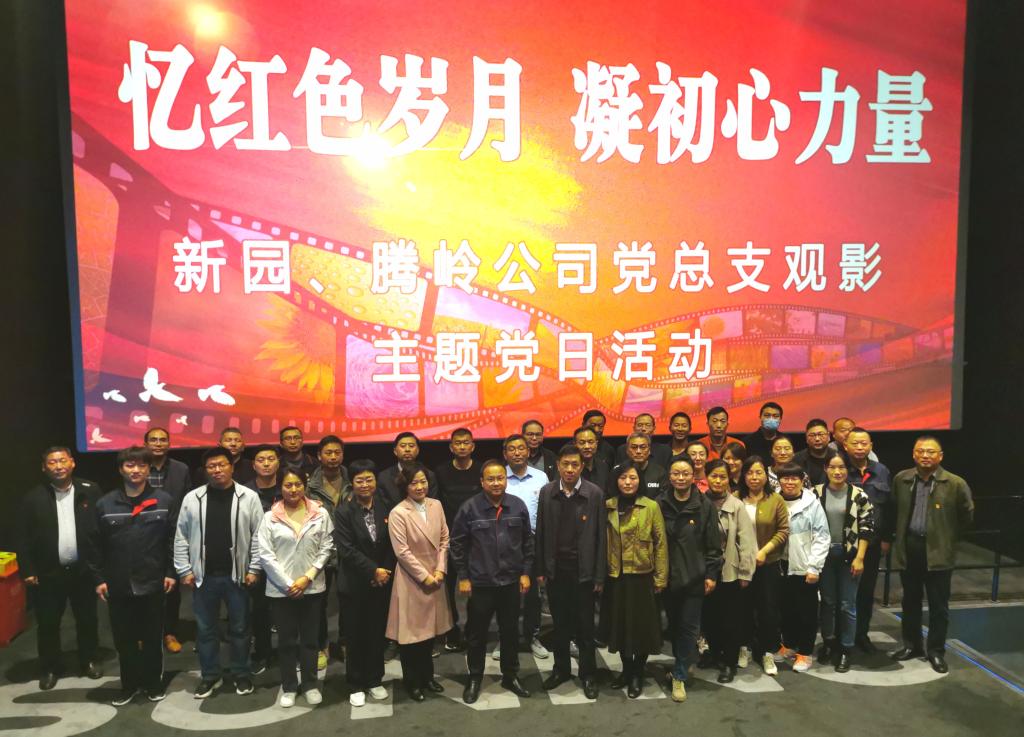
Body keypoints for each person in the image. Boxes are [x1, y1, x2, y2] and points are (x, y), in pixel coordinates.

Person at [90, 447, 177, 705]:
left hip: (153, 581)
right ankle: (128, 685)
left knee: (152, 638)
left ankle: (153, 684)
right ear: (121, 469)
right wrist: (98, 579)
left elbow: (173, 540)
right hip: (118, 584)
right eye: (130, 465)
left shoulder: (164, 501)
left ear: (149, 469)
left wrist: (171, 572)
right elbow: (94, 545)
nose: (136, 470)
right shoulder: (105, 504)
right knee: (124, 640)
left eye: (141, 465)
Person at [174, 447, 263, 699]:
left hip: (238, 575)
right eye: (211, 466)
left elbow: (259, 535)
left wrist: (254, 568)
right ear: (205, 470)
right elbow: (181, 535)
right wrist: (184, 569)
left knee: (240, 629)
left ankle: (241, 673)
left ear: (231, 467)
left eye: (222, 464)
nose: (217, 470)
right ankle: (210, 676)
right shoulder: (193, 498)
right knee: (205, 631)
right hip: (204, 577)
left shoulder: (248, 497)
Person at [16, 447, 103, 691]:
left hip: (83, 571)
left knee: (87, 619)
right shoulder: (32, 498)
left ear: (72, 463)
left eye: (62, 460)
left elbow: (102, 528)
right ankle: (50, 667)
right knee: (48, 624)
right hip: (48, 573)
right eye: (52, 462)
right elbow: (22, 537)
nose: (58, 466)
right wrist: (28, 569)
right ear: (44, 467)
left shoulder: (90, 490)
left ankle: (89, 660)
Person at [451, 460, 534, 703]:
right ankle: (475, 677)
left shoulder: (517, 506)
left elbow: (528, 542)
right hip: (481, 583)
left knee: (510, 632)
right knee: (476, 634)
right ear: (482, 482)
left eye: (500, 478)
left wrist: (526, 572)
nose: (496, 483)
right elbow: (457, 545)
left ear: (506, 480)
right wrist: (463, 576)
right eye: (491, 479)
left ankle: (510, 675)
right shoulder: (469, 508)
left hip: (510, 582)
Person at [890, 437, 973, 674]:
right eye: (920, 451)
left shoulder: (955, 483)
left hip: (939, 552)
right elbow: (895, 508)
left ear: (940, 456)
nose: (925, 456)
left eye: (930, 452)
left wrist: (947, 537)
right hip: (910, 548)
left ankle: (936, 651)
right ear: (914, 454)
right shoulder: (902, 479)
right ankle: (912, 645)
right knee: (910, 601)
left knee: (938, 606)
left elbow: (967, 515)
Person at [256, 468, 334, 707]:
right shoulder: (269, 517)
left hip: (312, 587)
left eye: (298, 484)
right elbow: (265, 555)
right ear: (280, 487)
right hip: (281, 591)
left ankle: (310, 684)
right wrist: (289, 584)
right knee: (287, 641)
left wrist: (307, 578)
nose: (293, 489)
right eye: (288, 485)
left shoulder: (320, 513)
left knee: (310, 640)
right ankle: (289, 686)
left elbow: (327, 547)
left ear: (305, 485)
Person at [535, 445, 606, 700]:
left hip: (583, 571)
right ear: (558, 466)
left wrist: (599, 575)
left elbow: (601, 537)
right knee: (560, 625)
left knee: (585, 627)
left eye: (575, 465)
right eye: (565, 464)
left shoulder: (594, 493)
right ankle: (561, 670)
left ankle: (588, 674)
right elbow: (541, 532)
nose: (569, 469)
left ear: (582, 466)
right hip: (556, 571)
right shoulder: (547, 492)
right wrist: (541, 568)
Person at [601, 463, 669, 699]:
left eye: (632, 477)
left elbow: (660, 543)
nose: (628, 482)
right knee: (619, 628)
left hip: (642, 576)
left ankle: (638, 673)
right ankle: (626, 670)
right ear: (615, 481)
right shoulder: (608, 506)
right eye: (623, 478)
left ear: (640, 480)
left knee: (641, 629)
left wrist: (661, 577)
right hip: (615, 576)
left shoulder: (651, 506)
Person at [385, 463, 452, 702]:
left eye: (423, 481)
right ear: (405, 486)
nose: (420, 486)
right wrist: (425, 576)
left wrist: (441, 569)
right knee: (411, 636)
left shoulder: (436, 505)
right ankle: (412, 681)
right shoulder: (398, 512)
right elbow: (402, 552)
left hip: (436, 576)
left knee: (429, 634)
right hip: (412, 579)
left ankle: (428, 677)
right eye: (414, 483)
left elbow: (444, 539)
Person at [657, 457, 721, 702]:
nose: (681, 478)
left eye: (685, 473)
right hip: (667, 577)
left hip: (694, 576)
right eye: (676, 473)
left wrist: (711, 574)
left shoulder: (704, 506)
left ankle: (680, 675)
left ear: (693, 476)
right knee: (673, 626)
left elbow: (713, 544)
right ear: (670, 476)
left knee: (688, 627)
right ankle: (681, 662)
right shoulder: (659, 503)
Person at [334, 461, 394, 707]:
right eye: (360, 480)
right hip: (354, 583)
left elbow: (391, 544)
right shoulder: (344, 512)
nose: (365, 484)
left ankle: (374, 679)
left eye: (369, 479)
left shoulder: (386, 507)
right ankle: (356, 683)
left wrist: (384, 571)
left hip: (381, 583)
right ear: (352, 483)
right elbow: (346, 549)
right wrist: (373, 570)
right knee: (355, 634)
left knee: (376, 633)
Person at [814, 455, 874, 673]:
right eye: (832, 467)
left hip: (850, 555)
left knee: (847, 604)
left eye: (841, 467)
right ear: (825, 469)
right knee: (828, 602)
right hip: (823, 556)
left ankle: (846, 648)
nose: (837, 472)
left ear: (847, 470)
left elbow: (867, 528)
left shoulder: (859, 495)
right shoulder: (815, 493)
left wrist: (860, 558)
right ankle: (829, 643)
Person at [702, 459, 755, 684]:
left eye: (722, 477)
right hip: (705, 571)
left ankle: (729, 662)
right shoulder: (699, 502)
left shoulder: (737, 506)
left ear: (729, 479)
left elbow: (747, 541)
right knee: (709, 617)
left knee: (730, 620)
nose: (718, 481)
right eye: (713, 476)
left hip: (729, 572)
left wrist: (745, 572)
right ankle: (714, 654)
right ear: (706, 477)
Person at [736, 456, 789, 676]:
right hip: (741, 565)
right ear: (744, 476)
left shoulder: (775, 499)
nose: (754, 477)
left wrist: (764, 551)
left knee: (768, 609)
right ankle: (744, 647)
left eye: (759, 472)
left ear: (766, 476)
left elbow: (783, 530)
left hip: (768, 563)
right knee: (742, 608)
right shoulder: (736, 498)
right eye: (750, 473)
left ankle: (767, 652)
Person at [775, 463, 830, 674]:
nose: (789, 482)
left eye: (794, 478)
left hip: (804, 566)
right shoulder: (774, 500)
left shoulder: (812, 504)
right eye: (785, 478)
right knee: (786, 609)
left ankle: (805, 653)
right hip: (780, 565)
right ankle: (789, 645)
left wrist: (814, 567)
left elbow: (822, 536)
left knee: (807, 612)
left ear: (802, 480)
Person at [843, 427, 891, 653]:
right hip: (844, 544)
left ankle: (861, 634)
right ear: (845, 445)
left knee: (866, 592)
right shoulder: (838, 468)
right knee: (842, 594)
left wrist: (886, 538)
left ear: (871, 446)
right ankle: (840, 638)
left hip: (872, 544)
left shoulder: (881, 471)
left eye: (864, 443)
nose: (860, 447)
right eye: (855, 443)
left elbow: (889, 507)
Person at [143, 428, 191, 653]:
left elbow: (188, 500)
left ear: (169, 443)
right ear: (145, 444)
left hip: (173, 533)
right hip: (143, 534)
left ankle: (170, 632)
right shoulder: (138, 467)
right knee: (143, 586)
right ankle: (146, 632)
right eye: (153, 440)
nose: (158, 443)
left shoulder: (181, 469)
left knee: (171, 586)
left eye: (163, 440)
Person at [503, 433, 550, 660]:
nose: (517, 453)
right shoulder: (498, 476)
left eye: (521, 448)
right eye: (511, 449)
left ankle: (532, 636)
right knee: (506, 595)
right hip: (504, 545)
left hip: (533, 544)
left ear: (528, 451)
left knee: (533, 595)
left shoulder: (541, 477)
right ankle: (505, 638)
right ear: (505, 454)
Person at [306, 434, 350, 669]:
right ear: (319, 456)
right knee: (318, 603)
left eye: (337, 452)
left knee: (348, 600)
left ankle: (345, 642)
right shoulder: (308, 486)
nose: (333, 457)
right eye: (328, 453)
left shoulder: (353, 480)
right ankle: (320, 645)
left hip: (348, 552)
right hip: (319, 554)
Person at [434, 428, 479, 652]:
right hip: (449, 540)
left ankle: (473, 630)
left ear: (473, 446)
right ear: (451, 447)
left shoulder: (481, 470)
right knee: (448, 588)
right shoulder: (441, 472)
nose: (462, 446)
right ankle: (452, 631)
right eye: (458, 443)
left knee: (477, 589)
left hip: (478, 540)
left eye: (466, 442)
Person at [249, 446, 282, 674]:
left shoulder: (289, 487)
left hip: (286, 557)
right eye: (261, 460)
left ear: (278, 463)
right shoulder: (244, 492)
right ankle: (262, 653)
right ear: (254, 465)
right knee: (259, 610)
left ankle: (290, 652)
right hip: (257, 560)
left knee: (287, 610)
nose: (267, 463)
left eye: (271, 459)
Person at [378, 432, 440, 507]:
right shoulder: (384, 477)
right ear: (395, 451)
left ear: (418, 450)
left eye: (411, 446)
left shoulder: (429, 475)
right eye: (403, 446)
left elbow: (432, 504)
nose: (407, 449)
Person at [608, 432, 665, 498]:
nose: (638, 451)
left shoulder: (660, 473)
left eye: (643, 447)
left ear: (649, 450)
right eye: (634, 447)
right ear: (627, 450)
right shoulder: (617, 471)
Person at [793, 419, 836, 487]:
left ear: (828, 436)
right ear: (806, 438)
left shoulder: (837, 457)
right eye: (812, 435)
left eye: (821, 434)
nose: (817, 439)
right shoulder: (796, 460)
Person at [574, 425, 610, 491]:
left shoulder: (603, 467)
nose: (587, 446)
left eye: (590, 442)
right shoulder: (570, 469)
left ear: (596, 444)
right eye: (582, 443)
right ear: (575, 445)